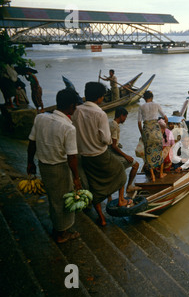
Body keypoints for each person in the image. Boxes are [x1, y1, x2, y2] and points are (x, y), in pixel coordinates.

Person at [27, 88, 82, 243]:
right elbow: (72, 157)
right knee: (63, 200)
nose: (76, 108)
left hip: (44, 165)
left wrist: (30, 162)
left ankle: (58, 227)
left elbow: (32, 143)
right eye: (75, 106)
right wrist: (76, 178)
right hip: (59, 167)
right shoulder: (68, 128)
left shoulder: (40, 118)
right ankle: (62, 233)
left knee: (54, 198)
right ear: (71, 106)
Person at [72, 82, 129, 227]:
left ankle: (102, 219)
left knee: (94, 185)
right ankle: (121, 200)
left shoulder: (77, 111)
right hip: (100, 155)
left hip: (84, 156)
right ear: (99, 98)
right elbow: (106, 139)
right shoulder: (100, 114)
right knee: (121, 172)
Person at [137, 90, 169, 182]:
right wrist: (163, 130)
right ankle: (161, 174)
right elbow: (165, 118)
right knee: (159, 151)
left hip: (147, 132)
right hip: (156, 131)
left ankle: (153, 176)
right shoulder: (156, 105)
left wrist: (142, 134)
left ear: (144, 98)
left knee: (149, 153)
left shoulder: (141, 107)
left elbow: (139, 123)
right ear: (152, 97)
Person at [109, 106, 141, 194]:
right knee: (135, 164)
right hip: (112, 153)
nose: (125, 119)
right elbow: (113, 146)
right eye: (125, 117)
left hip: (108, 152)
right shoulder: (115, 127)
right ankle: (129, 186)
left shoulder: (110, 123)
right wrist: (126, 156)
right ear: (121, 116)